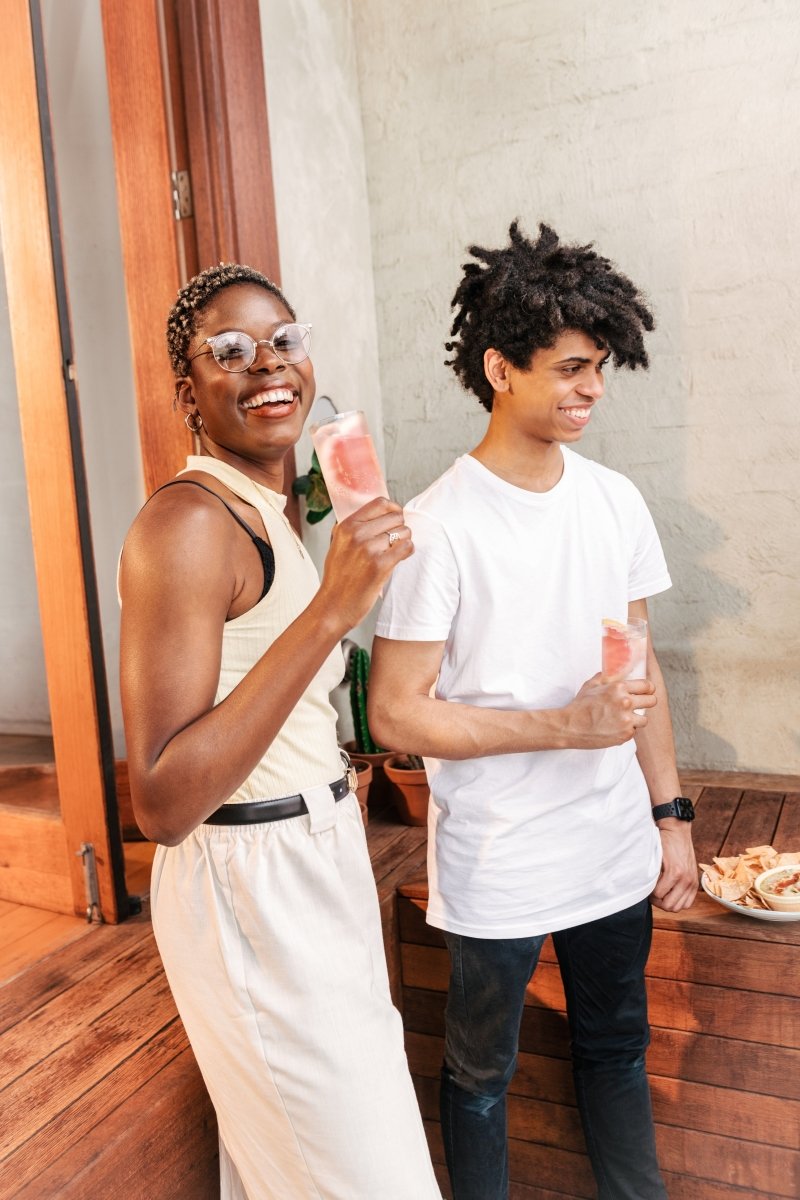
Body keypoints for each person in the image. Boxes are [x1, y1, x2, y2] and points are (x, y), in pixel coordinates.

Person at [368, 222, 698, 1200]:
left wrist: (668, 815)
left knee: (615, 1051)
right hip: (498, 863)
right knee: (478, 1077)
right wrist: (558, 726)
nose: (590, 388)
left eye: (598, 367)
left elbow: (638, 672)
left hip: (610, 851)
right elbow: (394, 715)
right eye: (566, 368)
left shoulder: (612, 502)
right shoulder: (437, 527)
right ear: (497, 368)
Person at [119, 263, 441, 1200]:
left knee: (305, 1173)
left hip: (315, 852)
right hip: (248, 875)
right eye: (229, 350)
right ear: (189, 391)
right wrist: (331, 611)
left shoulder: (272, 508)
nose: (267, 364)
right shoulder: (186, 523)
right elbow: (164, 800)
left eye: (284, 339)